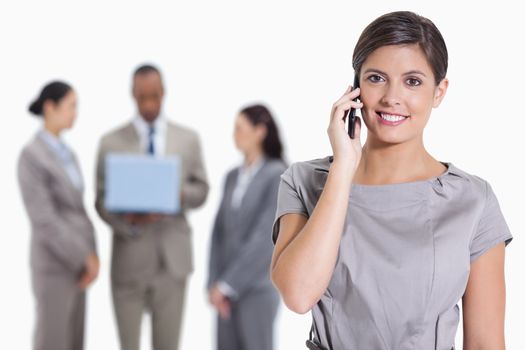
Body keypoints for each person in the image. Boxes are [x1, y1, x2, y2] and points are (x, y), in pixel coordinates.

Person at [270, 11, 513, 350]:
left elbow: (486, 341)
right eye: (376, 78)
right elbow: (298, 295)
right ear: (354, 89)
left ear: (439, 91)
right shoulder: (303, 181)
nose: (391, 98)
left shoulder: (473, 200)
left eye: (412, 81)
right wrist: (343, 169)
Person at [95, 64, 209, 350]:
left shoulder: (188, 139)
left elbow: (203, 189)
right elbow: (100, 199)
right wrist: (130, 221)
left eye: (154, 96)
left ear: (164, 93)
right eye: (142, 96)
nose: (148, 103)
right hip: (129, 260)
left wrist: (178, 195)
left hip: (173, 262)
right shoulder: (111, 142)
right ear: (132, 94)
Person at [18, 81, 99, 350]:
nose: (76, 113)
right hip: (54, 265)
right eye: (72, 106)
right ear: (50, 107)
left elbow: (78, 210)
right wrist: (83, 255)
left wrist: (92, 254)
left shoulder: (68, 154)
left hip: (78, 267)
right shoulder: (31, 157)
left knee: (75, 342)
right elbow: (45, 221)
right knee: (52, 342)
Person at [207, 104, 286, 350]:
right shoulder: (232, 176)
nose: (234, 135)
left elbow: (264, 238)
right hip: (224, 292)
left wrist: (227, 284)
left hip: (257, 289)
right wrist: (214, 283)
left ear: (260, 131)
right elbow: (218, 233)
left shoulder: (278, 175)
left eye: (240, 128)